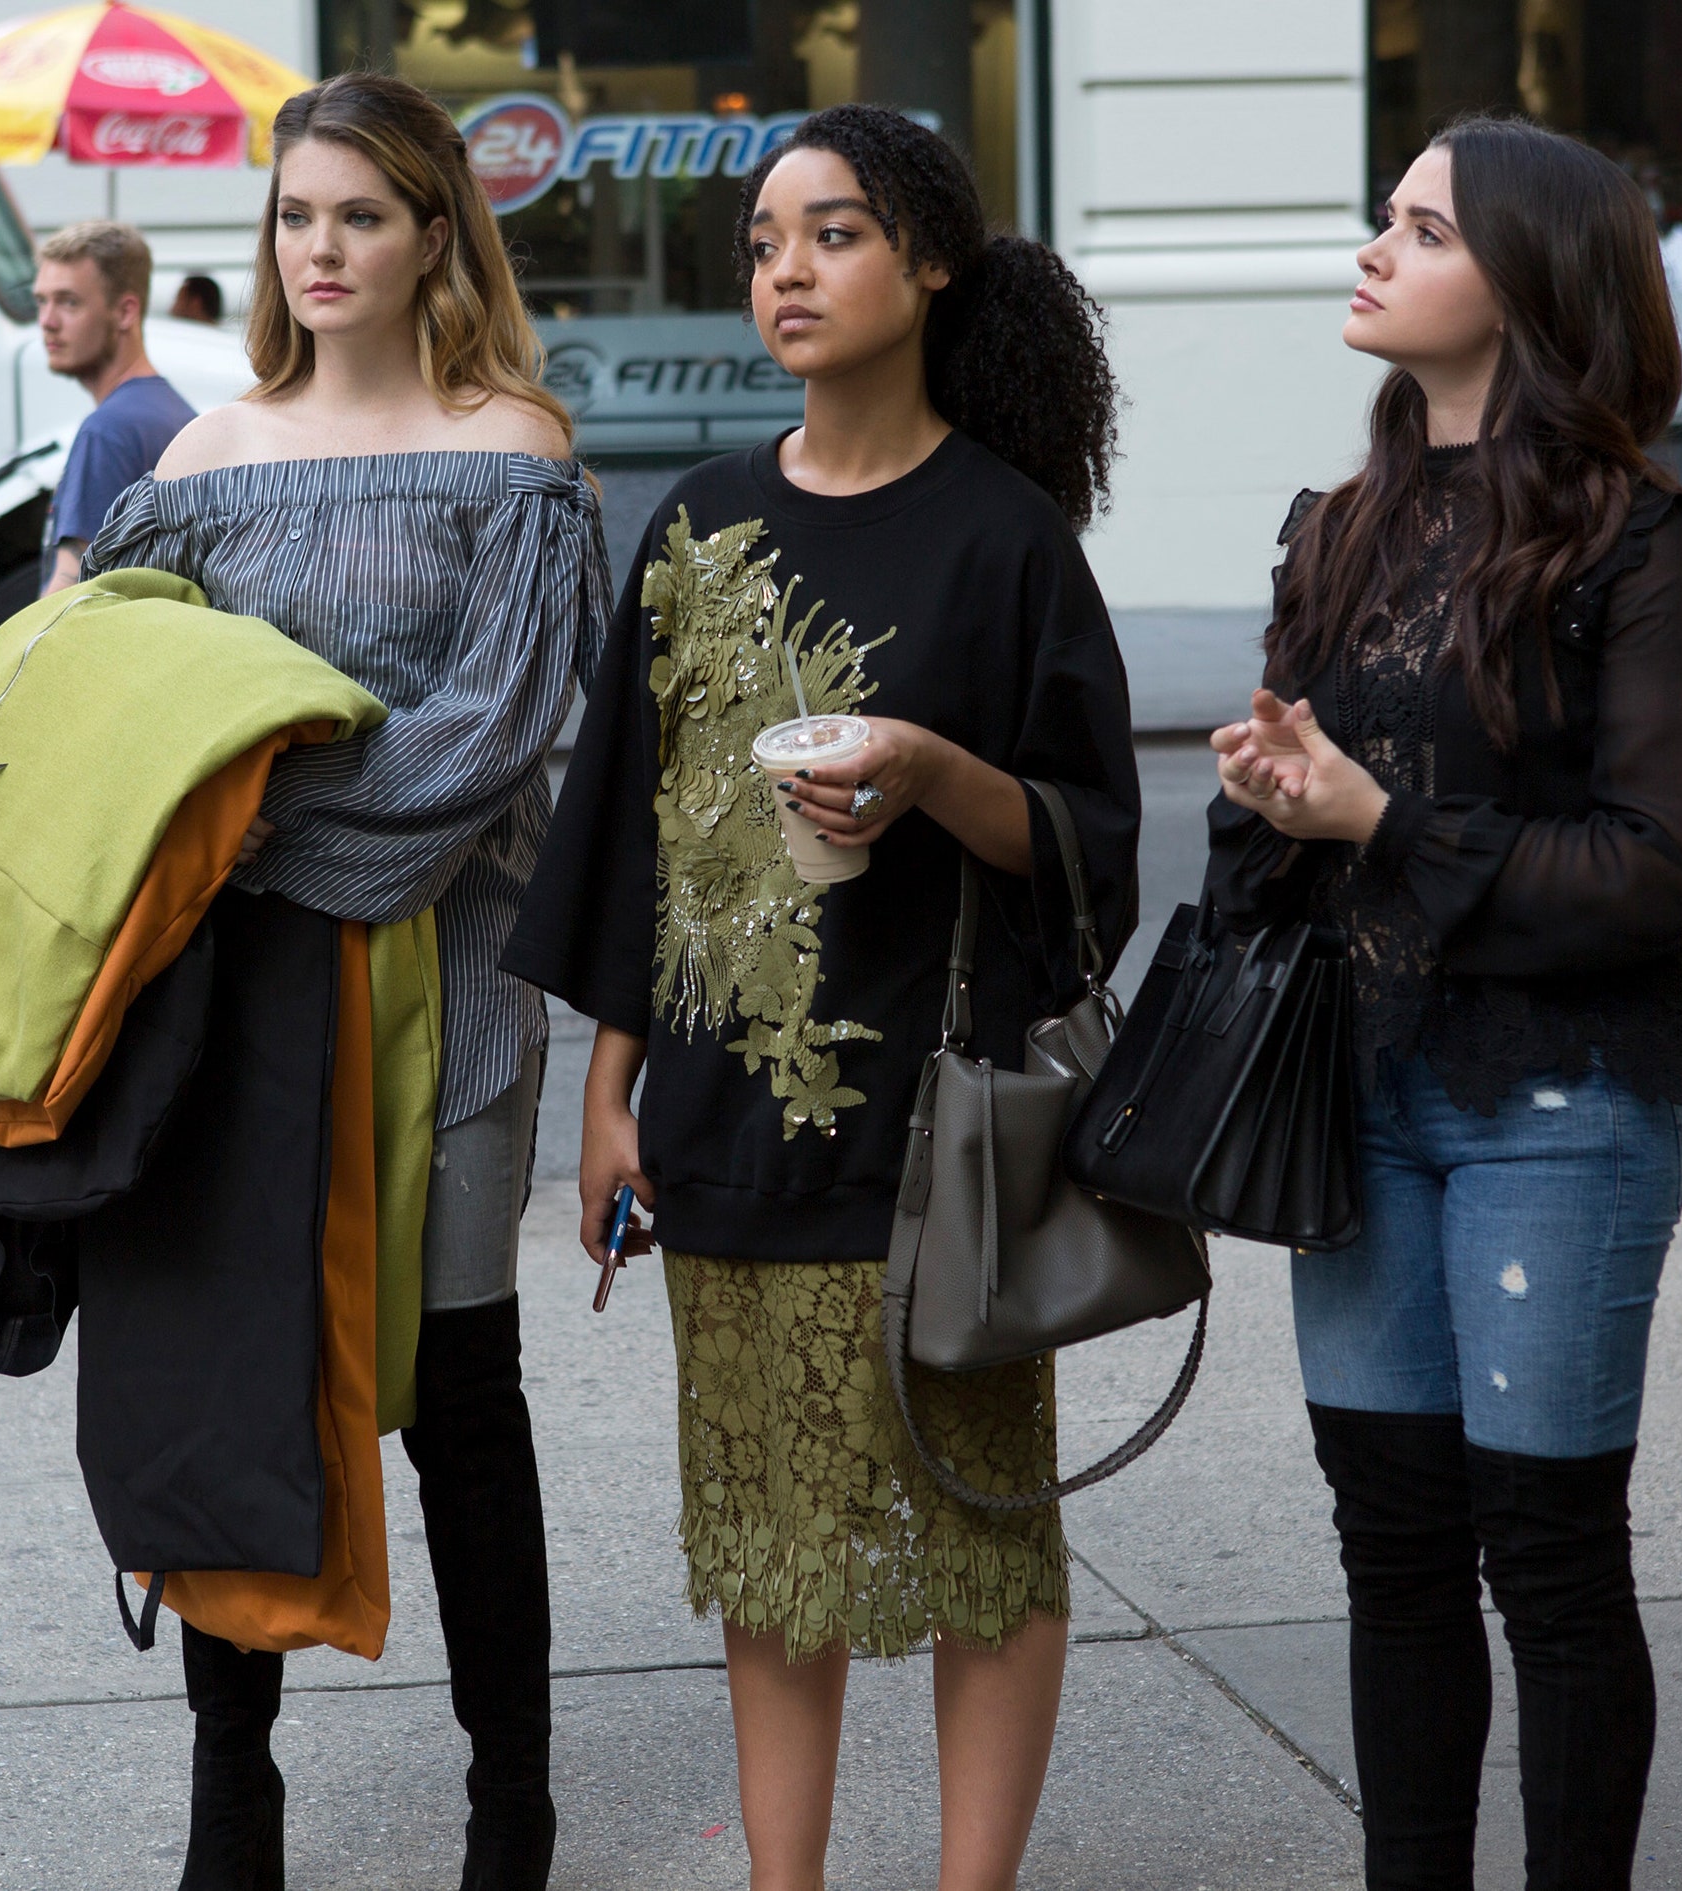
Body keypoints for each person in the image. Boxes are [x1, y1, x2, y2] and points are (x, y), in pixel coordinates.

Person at [503, 104, 1136, 1891]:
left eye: (834, 232)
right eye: (767, 242)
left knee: (980, 1547)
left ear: (929, 263)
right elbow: (633, 835)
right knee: (774, 1551)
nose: (789, 269)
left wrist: (934, 770)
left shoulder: (1007, 540)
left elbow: (1092, 840)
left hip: (939, 1133)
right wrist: (605, 1089)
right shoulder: (697, 523)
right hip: (717, 1111)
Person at [80, 71, 608, 1891]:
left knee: (464, 1394)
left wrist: (256, 836)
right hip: (234, 1017)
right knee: (240, 1379)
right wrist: (204, 845)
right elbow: (123, 732)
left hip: (447, 1002)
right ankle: (237, 1804)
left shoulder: (517, 449)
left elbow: (488, 743)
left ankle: (508, 1806)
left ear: (436, 233)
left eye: (361, 216)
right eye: (298, 216)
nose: (322, 249)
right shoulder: (201, 468)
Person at [1205, 115, 1682, 1891]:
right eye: (1385, 218)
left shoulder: (1638, 546)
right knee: (1396, 1552)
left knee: (1551, 1556)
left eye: (1420, 228)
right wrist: (1278, 801)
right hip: (1355, 1100)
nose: (1374, 249)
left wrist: (1381, 814)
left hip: (1559, 1107)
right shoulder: (1340, 530)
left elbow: (1657, 873)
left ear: (1523, 281)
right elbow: (1306, 842)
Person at [35, 221, 195, 593]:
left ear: (125, 312)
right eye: (41, 301)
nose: (47, 322)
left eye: (68, 302)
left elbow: (69, 594)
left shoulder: (107, 431)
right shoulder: (176, 414)